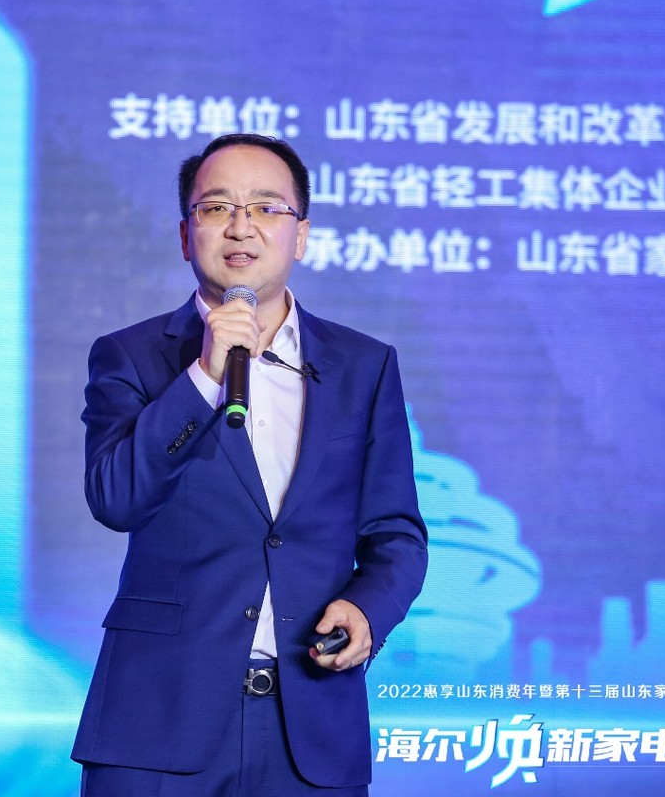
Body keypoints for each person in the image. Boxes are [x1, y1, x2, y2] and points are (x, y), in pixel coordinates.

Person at [72, 133, 428, 795]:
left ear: (302, 235)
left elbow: (397, 536)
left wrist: (366, 611)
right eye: (216, 208)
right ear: (185, 236)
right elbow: (115, 498)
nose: (241, 227)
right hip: (157, 721)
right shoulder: (131, 356)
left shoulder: (364, 366)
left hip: (310, 727)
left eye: (267, 207)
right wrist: (205, 376)